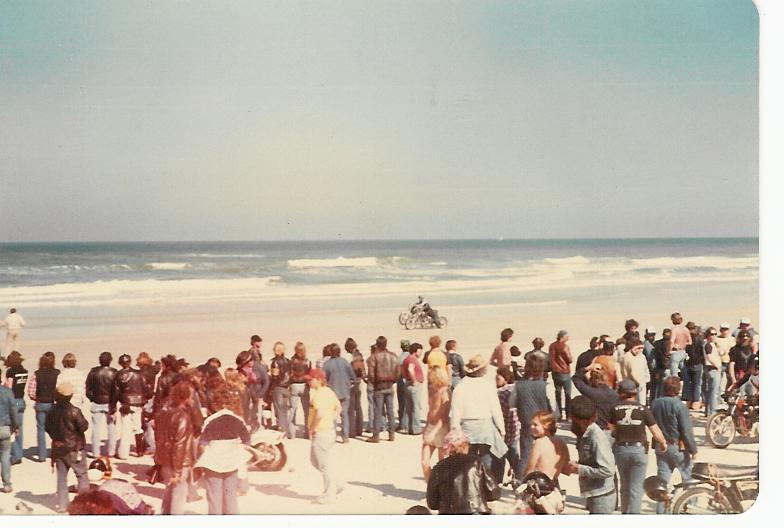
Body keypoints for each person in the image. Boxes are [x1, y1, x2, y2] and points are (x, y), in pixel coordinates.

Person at [610, 379, 667, 514]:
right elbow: (655, 430)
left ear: (621, 393)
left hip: (621, 450)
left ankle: (625, 513)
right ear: (634, 394)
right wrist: (663, 442)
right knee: (636, 488)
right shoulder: (643, 409)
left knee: (624, 486)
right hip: (638, 450)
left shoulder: (614, 408)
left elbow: (611, 429)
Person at [194, 387, 251, 514]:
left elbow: (202, 444)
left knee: (214, 497)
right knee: (230, 496)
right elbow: (247, 443)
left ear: (216, 404)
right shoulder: (238, 420)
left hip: (213, 463)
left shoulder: (210, 420)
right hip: (232, 462)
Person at [450, 355, 506, 473]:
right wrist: (502, 428)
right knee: (486, 456)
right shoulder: (487, 386)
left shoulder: (460, 387)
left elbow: (455, 410)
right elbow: (495, 410)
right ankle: (484, 480)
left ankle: (469, 480)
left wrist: (455, 427)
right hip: (485, 425)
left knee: (467, 457)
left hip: (466, 425)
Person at [426, 428, 501, 514]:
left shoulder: (438, 468)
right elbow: (493, 492)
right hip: (476, 513)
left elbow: (432, 503)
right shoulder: (477, 462)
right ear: (465, 445)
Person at [651, 376, 697, 514]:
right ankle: (690, 507)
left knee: (663, 482)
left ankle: (661, 511)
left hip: (661, 445)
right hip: (677, 446)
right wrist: (693, 448)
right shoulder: (679, 406)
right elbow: (686, 430)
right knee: (688, 479)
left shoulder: (655, 403)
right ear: (678, 390)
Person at [564, 395, 617, 514]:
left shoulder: (596, 437)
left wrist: (580, 469)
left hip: (602, 497)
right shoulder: (585, 433)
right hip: (593, 493)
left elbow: (607, 470)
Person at [45, 382, 90, 512]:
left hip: (58, 448)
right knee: (81, 475)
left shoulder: (51, 411)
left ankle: (63, 505)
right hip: (75, 448)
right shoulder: (75, 411)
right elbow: (84, 426)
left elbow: (47, 428)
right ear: (70, 396)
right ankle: (84, 505)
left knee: (61, 477)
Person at [155, 381, 195, 515]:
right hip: (179, 463)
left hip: (165, 459)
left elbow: (158, 438)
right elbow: (180, 444)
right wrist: (177, 471)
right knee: (178, 497)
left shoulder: (163, 413)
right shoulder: (182, 416)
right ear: (186, 397)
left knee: (169, 493)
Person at [306, 368, 343, 504]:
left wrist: (312, 428)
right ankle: (336, 483)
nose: (309, 381)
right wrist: (332, 418)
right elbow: (339, 407)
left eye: (311, 379)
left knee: (324, 464)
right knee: (316, 460)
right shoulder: (329, 392)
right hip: (328, 431)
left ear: (319, 380)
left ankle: (329, 494)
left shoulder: (319, 395)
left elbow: (320, 414)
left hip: (321, 433)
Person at [513, 354, 551, 477]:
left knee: (525, 455)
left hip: (527, 424)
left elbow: (511, 403)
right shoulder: (546, 386)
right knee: (545, 454)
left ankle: (521, 480)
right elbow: (554, 407)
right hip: (544, 425)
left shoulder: (519, 385)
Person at [366, 336, 400, 443]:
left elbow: (371, 375)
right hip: (390, 386)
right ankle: (392, 434)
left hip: (379, 387)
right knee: (390, 411)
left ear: (377, 344)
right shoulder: (393, 356)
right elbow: (398, 372)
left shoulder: (374, 357)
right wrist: (392, 381)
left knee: (378, 411)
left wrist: (374, 383)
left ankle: (376, 435)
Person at [28, 351, 60, 462]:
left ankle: (42, 455)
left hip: (40, 403)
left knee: (40, 430)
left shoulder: (37, 374)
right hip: (53, 404)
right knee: (55, 430)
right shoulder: (57, 373)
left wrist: (36, 398)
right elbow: (59, 389)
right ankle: (55, 453)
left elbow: (31, 392)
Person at [490, 366, 520, 485]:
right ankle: (518, 477)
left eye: (498, 378)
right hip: (516, 429)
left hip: (504, 430)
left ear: (506, 379)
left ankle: (497, 481)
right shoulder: (516, 388)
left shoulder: (500, 394)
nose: (496, 381)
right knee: (514, 456)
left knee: (499, 458)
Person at [114, 354, 148, 459]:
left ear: (120, 363)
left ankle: (123, 454)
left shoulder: (119, 375)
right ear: (130, 361)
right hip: (138, 403)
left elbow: (116, 391)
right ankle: (140, 451)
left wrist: (116, 402)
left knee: (125, 430)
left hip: (126, 404)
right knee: (138, 428)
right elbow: (145, 387)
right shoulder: (138, 373)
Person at [521, 411, 569, 483]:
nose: (531, 427)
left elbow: (529, 471)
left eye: (535, 425)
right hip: (554, 486)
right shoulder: (562, 443)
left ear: (546, 426)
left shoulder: (539, 443)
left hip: (540, 486)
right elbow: (567, 470)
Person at [421, 366, 451, 482]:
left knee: (442, 462)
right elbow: (430, 410)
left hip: (441, 429)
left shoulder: (445, 392)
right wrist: (426, 428)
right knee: (424, 462)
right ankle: (431, 488)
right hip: (431, 426)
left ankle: (441, 491)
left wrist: (432, 433)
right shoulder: (431, 390)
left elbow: (444, 416)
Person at [86, 351, 118, 458]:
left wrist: (92, 398)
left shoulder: (93, 372)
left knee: (96, 429)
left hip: (97, 402)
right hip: (110, 403)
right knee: (112, 428)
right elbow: (116, 390)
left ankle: (96, 452)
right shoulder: (114, 372)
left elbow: (87, 388)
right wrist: (113, 405)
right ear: (110, 360)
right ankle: (111, 452)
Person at [323, 343, 355, 443]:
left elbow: (324, 379)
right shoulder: (345, 362)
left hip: (333, 393)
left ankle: (333, 436)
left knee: (333, 416)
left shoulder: (327, 364)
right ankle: (345, 437)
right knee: (344, 414)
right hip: (345, 391)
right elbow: (352, 376)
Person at [571, 365, 619, 431]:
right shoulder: (614, 394)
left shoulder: (590, 392)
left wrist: (587, 368)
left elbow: (576, 378)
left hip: (593, 427)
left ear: (593, 379)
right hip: (608, 428)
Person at [3, 350, 27, 465]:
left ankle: (16, 455)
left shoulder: (11, 372)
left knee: (12, 428)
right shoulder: (24, 372)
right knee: (19, 429)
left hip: (13, 401)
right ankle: (19, 453)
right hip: (22, 400)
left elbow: (9, 387)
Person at [136, 352, 159, 455]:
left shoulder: (140, 373)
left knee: (145, 423)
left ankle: (149, 445)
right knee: (148, 421)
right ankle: (149, 445)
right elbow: (158, 366)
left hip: (144, 398)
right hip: (152, 397)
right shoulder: (153, 370)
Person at [0, 374, 19, 493]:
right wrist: (16, 426)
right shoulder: (7, 392)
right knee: (5, 456)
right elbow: (13, 410)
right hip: (4, 427)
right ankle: (6, 484)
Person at [269, 342, 292, 436]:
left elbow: (275, 377)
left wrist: (271, 387)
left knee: (279, 411)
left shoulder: (275, 362)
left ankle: (281, 431)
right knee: (285, 411)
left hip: (278, 388)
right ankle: (286, 430)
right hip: (286, 388)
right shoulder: (288, 361)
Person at [401, 343, 425, 435]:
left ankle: (409, 427)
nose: (421, 353)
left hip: (408, 383)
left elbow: (403, 371)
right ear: (416, 351)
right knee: (415, 407)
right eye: (420, 351)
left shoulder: (407, 359)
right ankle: (416, 428)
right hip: (414, 384)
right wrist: (414, 381)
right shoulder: (412, 359)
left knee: (409, 407)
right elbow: (411, 369)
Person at [549, 330, 572, 422]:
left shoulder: (552, 346)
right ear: (562, 337)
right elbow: (569, 359)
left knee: (558, 393)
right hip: (564, 372)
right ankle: (568, 415)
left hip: (555, 372)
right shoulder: (564, 346)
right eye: (567, 337)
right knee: (568, 394)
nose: (568, 338)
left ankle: (559, 415)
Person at [289, 342, 311, 439]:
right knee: (307, 411)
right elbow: (309, 373)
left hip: (294, 385)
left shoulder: (292, 361)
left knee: (293, 410)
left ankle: (291, 433)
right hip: (304, 385)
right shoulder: (307, 361)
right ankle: (307, 433)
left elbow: (289, 373)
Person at [619, 339, 649, 403]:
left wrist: (647, 379)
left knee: (642, 402)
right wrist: (637, 382)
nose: (640, 350)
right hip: (631, 384)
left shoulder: (642, 357)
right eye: (638, 348)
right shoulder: (627, 356)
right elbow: (631, 372)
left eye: (642, 348)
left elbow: (645, 368)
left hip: (642, 383)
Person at [683, 322, 705, 410]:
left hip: (687, 364)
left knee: (687, 383)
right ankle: (695, 402)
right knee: (696, 384)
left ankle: (688, 401)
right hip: (697, 363)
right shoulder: (699, 339)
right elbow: (702, 352)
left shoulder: (685, 339)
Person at [347, 338, 365, 438]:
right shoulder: (359, 355)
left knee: (351, 408)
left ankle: (352, 431)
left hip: (351, 383)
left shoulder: (348, 357)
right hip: (359, 382)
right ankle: (360, 429)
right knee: (358, 407)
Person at [702, 327, 722, 416]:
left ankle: (708, 410)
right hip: (712, 369)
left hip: (712, 368)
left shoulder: (713, 344)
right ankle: (712, 412)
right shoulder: (708, 345)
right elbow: (709, 357)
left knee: (710, 391)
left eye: (715, 334)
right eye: (712, 334)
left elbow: (721, 352)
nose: (713, 336)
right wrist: (717, 366)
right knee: (714, 392)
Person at [650, 328, 672, 402]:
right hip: (667, 367)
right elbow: (668, 355)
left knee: (658, 387)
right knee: (665, 387)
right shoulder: (669, 343)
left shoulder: (657, 343)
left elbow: (655, 358)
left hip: (659, 367)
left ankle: (656, 401)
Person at [669, 313, 692, 379]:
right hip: (683, 351)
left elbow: (671, 341)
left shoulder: (674, 329)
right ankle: (687, 388)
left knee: (674, 374)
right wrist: (683, 344)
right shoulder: (685, 329)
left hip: (675, 351)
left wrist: (669, 350)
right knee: (685, 373)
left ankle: (674, 388)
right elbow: (690, 342)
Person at [396, 340, 411, 430]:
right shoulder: (410, 357)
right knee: (409, 403)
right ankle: (407, 422)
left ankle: (402, 423)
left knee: (401, 404)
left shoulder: (399, 358)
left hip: (400, 381)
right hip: (408, 381)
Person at [715, 323, 735, 390]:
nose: (725, 331)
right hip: (720, 362)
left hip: (729, 361)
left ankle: (728, 393)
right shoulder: (716, 339)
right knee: (718, 379)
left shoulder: (732, 339)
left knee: (730, 378)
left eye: (726, 329)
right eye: (723, 329)